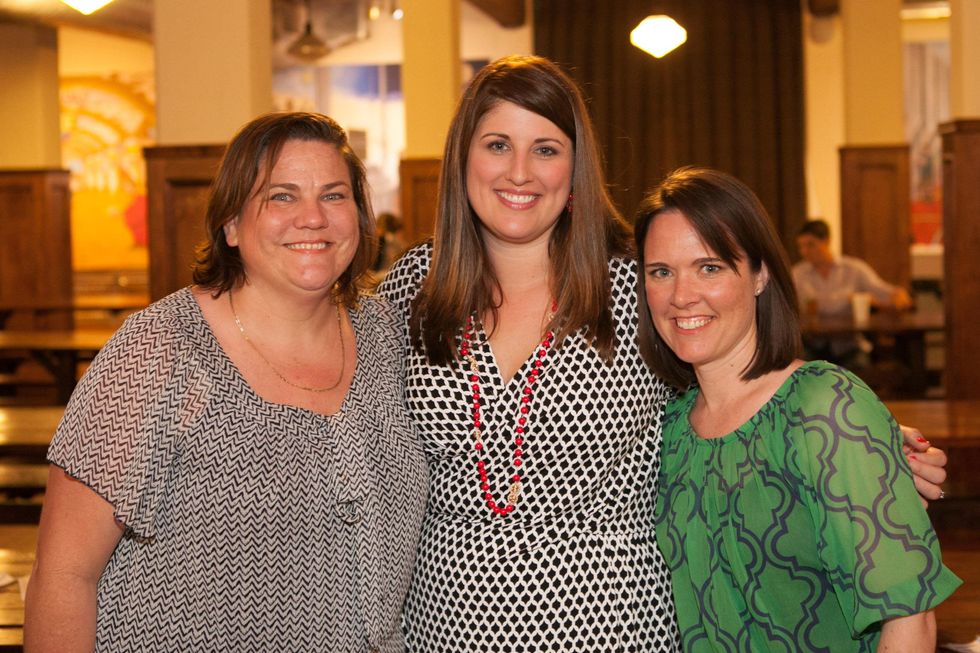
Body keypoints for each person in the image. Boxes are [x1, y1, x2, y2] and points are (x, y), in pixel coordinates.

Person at [377, 54, 947, 651]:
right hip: (444, 624)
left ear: (575, 170)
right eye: (497, 144)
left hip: (611, 625)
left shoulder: (637, 283)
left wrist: (862, 447)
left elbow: (739, 391)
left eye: (545, 149)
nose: (520, 172)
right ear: (462, 158)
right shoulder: (413, 286)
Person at [24, 112, 427, 652]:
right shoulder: (162, 349)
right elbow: (64, 575)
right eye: (282, 196)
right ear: (231, 224)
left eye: (334, 196)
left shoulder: (386, 339)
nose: (313, 217)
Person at [635, 167, 960, 652]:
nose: (682, 295)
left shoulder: (824, 407)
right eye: (661, 271)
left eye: (710, 267)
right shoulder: (667, 426)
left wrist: (861, 434)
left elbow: (909, 622)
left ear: (760, 274)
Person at [793, 218, 913, 365]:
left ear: (826, 241)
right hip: (812, 345)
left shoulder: (854, 269)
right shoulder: (797, 274)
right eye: (801, 247)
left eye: (810, 245)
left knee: (859, 370)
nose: (804, 251)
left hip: (849, 345)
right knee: (800, 372)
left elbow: (886, 292)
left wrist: (897, 296)